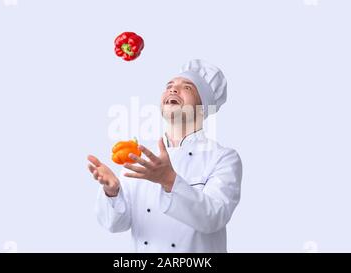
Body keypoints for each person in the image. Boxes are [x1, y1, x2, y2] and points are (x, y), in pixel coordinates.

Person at [87, 59, 242, 252]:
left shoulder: (223, 158)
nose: (173, 90)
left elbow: (213, 217)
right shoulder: (141, 156)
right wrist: (113, 192)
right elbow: (116, 225)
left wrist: (169, 180)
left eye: (187, 87)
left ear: (204, 108)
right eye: (169, 86)